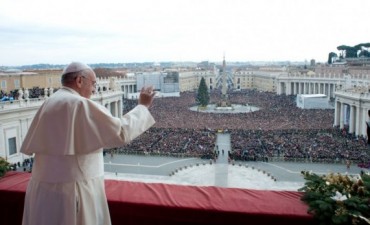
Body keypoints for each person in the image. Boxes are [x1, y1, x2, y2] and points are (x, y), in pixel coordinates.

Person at [20, 62, 156, 225]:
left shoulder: (49, 102)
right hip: (74, 192)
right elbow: (120, 132)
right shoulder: (79, 104)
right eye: (93, 84)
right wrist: (143, 106)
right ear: (79, 80)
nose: (94, 89)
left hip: (43, 193)